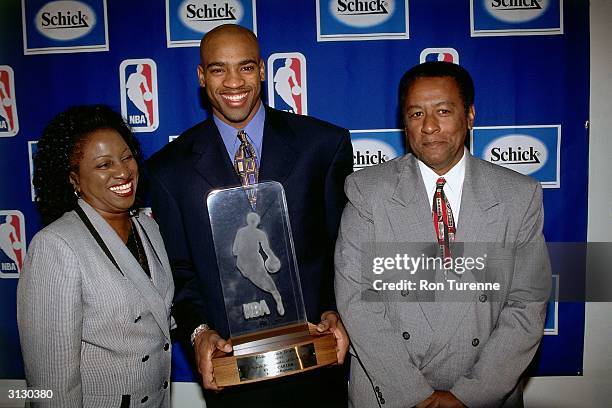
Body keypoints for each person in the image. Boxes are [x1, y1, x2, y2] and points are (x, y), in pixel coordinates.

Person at [147, 24, 353, 407]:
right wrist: (198, 332)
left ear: (261, 70)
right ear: (200, 76)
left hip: (317, 361)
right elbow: (180, 271)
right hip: (231, 370)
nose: (232, 82)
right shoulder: (168, 170)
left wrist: (334, 310)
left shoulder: (323, 146)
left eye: (244, 67)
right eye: (217, 69)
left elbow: (342, 246)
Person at [335, 61, 551, 407]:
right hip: (391, 390)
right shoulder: (367, 191)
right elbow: (356, 298)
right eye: (416, 114)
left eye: (443, 111)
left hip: (484, 392)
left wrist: (470, 394)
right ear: (404, 122)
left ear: (469, 115)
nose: (430, 127)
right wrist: (413, 394)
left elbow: (526, 304)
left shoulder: (517, 195)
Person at [17, 105, 174, 407]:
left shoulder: (148, 227)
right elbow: (50, 383)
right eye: (104, 165)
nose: (123, 171)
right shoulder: (56, 246)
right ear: (74, 179)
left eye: (127, 157)